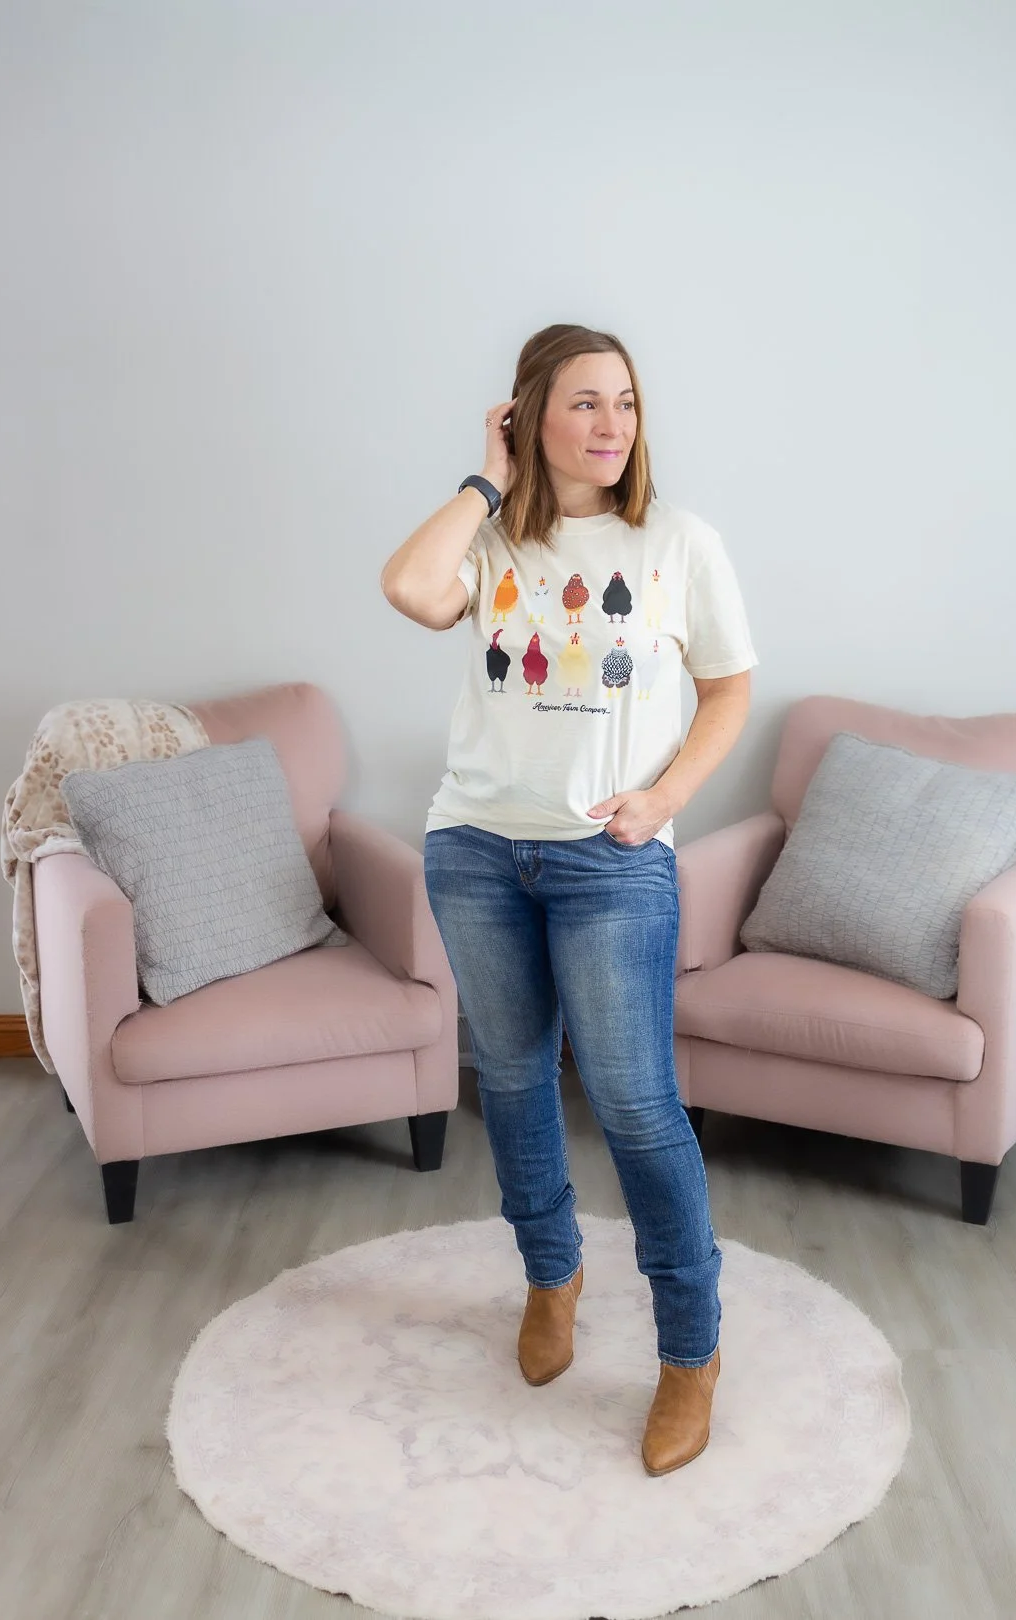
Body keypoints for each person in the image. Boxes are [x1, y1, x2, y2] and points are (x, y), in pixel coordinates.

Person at [380, 323, 756, 1475]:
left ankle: (690, 1352)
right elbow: (406, 586)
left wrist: (662, 799)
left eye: (627, 405)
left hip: (609, 862)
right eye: (585, 403)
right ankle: (553, 1278)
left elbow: (730, 689)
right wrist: (484, 479)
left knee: (639, 1105)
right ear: (528, 413)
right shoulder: (490, 540)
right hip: (476, 850)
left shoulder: (676, 542)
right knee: (510, 1078)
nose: (612, 427)